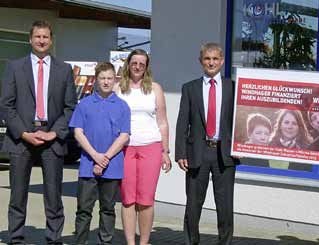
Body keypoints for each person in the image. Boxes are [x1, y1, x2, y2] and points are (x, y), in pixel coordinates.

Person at [0, 20, 77, 244]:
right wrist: (24, 133)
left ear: (51, 40)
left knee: (53, 194)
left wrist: (54, 133)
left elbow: (70, 106)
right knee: (18, 194)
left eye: (45, 37)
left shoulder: (64, 69)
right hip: (21, 139)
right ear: (30, 39)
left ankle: (53, 238)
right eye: (37, 36)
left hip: (52, 139)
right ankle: (16, 238)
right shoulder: (14, 67)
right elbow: (6, 105)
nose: (41, 40)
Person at [175, 42, 239, 245]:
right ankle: (191, 242)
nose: (211, 62)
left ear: (221, 61)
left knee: (225, 207)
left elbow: (242, 121)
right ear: (200, 61)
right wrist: (180, 153)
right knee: (193, 206)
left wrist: (242, 145)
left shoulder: (233, 87)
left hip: (225, 154)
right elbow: (182, 123)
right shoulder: (190, 88)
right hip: (197, 154)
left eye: (215, 59)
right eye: (207, 59)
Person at [115, 49, 172, 245]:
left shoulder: (155, 89)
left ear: (146, 67)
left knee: (146, 199)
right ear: (128, 64)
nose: (137, 66)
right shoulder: (118, 88)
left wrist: (165, 151)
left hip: (151, 146)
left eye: (142, 63)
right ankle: (130, 242)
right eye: (134, 62)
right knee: (128, 199)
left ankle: (144, 241)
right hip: (125, 148)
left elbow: (163, 121)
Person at [70, 62, 130, 244]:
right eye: (102, 78)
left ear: (115, 80)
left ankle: (106, 241)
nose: (106, 82)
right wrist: (95, 156)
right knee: (83, 209)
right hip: (88, 165)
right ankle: (80, 241)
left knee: (108, 209)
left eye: (109, 78)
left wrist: (105, 158)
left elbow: (124, 136)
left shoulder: (122, 106)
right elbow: (77, 132)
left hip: (112, 166)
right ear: (96, 79)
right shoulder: (84, 105)